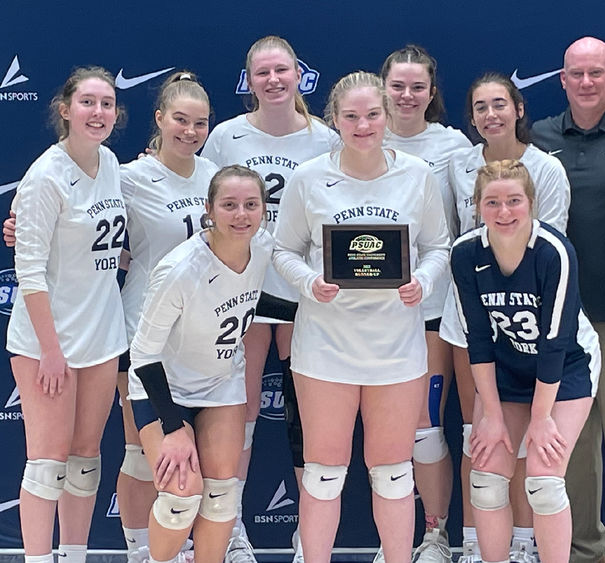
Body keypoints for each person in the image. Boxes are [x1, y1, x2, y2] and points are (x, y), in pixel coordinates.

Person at [272, 71, 449, 563]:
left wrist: (425, 282)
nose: (363, 125)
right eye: (350, 116)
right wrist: (309, 282)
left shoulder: (417, 175)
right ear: (334, 120)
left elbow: (437, 247)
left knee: (393, 471)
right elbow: (283, 249)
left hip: (396, 348)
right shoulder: (309, 178)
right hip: (325, 348)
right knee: (323, 474)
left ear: (388, 116)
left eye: (373, 114)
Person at [200, 36, 337, 563]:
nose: (274, 80)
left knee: (309, 417)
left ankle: (311, 539)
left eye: (282, 70)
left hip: (305, 292)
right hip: (245, 291)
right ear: (249, 80)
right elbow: (199, 204)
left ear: (300, 74)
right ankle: (230, 529)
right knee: (241, 410)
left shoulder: (325, 138)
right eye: (263, 73)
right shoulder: (225, 137)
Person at [531, 36, 605, 563]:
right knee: (571, 449)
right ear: (562, 79)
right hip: (561, 322)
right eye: (576, 74)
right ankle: (582, 551)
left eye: (595, 73)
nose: (585, 82)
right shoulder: (538, 136)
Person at [438, 72, 570, 563]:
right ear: (469, 117)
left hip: (529, 318)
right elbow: (455, 236)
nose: (490, 115)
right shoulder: (457, 164)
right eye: (479, 107)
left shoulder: (546, 169)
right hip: (471, 315)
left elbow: (549, 246)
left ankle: (522, 543)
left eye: (500, 104)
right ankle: (476, 544)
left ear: (518, 109)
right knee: (483, 432)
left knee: (528, 445)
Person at [6, 67, 127, 563]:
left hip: (101, 337)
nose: (97, 113)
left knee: (85, 463)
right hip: (47, 343)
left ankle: (73, 555)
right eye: (88, 103)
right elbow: (29, 274)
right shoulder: (44, 177)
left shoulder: (113, 163)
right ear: (65, 109)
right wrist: (51, 352)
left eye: (107, 104)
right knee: (47, 465)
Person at [450, 159, 599, 563]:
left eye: (514, 201)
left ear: (530, 203)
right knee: (485, 479)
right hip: (505, 371)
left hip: (565, 370)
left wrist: (541, 417)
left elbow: (555, 344)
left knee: (544, 482)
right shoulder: (465, 253)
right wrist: (493, 416)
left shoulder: (554, 252)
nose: (504, 212)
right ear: (478, 206)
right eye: (492, 202)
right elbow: (477, 342)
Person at [127, 165, 273, 563]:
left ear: (263, 210)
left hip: (220, 384)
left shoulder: (263, 248)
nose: (241, 215)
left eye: (250, 205)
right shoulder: (179, 270)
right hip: (163, 390)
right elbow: (143, 354)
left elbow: (255, 300)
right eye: (229, 205)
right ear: (209, 209)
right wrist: (173, 428)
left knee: (223, 496)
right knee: (180, 493)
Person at [117, 71, 218, 563]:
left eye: (200, 123)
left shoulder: (216, 176)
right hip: (144, 337)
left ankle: (192, 548)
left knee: (202, 470)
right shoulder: (128, 177)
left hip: (203, 343)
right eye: (180, 120)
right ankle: (141, 551)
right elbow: (84, 227)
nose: (190, 131)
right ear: (159, 119)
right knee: (143, 457)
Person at [378, 44, 471, 563]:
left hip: (433, 308)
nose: (407, 96)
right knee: (382, 436)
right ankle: (392, 540)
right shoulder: (357, 135)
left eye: (418, 86)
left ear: (432, 93)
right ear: (382, 86)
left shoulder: (454, 147)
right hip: (367, 314)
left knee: (425, 427)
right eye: (398, 85)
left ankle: (434, 535)